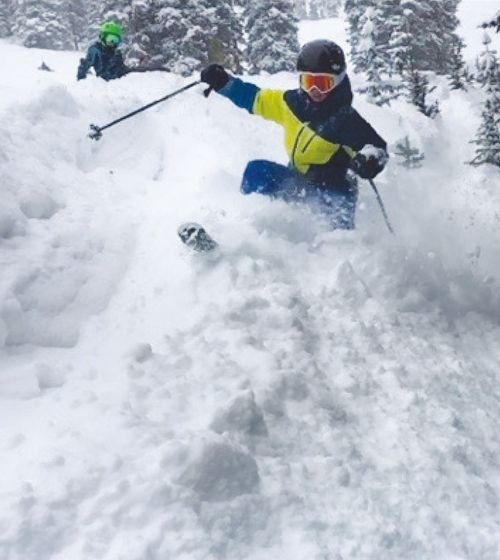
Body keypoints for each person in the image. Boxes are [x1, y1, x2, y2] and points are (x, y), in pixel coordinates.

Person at [200, 39, 388, 230]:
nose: (314, 91)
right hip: (297, 182)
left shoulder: (345, 119)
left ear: (337, 81)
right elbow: (254, 98)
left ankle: (338, 251)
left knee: (330, 222)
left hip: (334, 190)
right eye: (308, 82)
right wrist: (224, 83)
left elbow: (376, 147)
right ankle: (249, 231)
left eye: (323, 83)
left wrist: (370, 160)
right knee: (256, 171)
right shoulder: (292, 104)